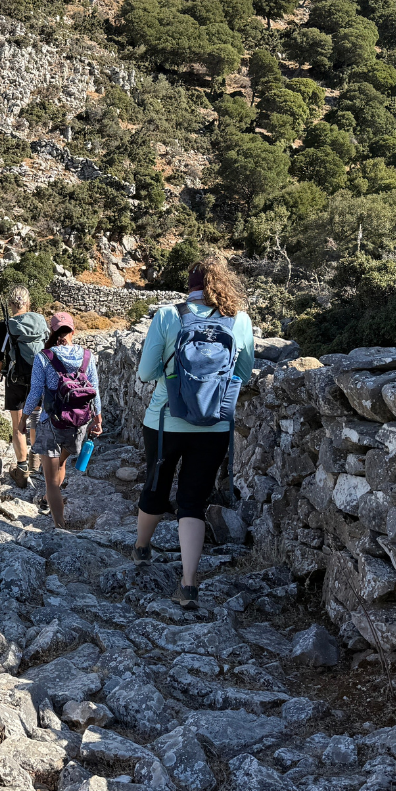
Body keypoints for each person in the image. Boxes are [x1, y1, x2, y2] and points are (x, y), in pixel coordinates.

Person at [134, 254, 254, 609]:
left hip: (165, 419)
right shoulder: (240, 320)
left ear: (190, 285)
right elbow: (243, 373)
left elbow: (144, 372)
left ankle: (142, 549)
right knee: (193, 501)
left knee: (156, 484)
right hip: (215, 424)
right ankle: (188, 585)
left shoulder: (169, 315)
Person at [24, 311, 102, 529]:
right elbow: (95, 390)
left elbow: (35, 392)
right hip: (79, 423)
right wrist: (98, 419)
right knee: (62, 463)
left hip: (51, 421)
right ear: (73, 331)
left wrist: (23, 417)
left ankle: (59, 525)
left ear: (52, 332)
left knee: (50, 481)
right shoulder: (87, 356)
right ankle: (56, 512)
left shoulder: (44, 357)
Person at [0, 287, 47, 487]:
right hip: (38, 378)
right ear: (28, 303)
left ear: (10, 304)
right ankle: (37, 463)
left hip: (15, 379)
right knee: (36, 419)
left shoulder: (4, 326)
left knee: (17, 425)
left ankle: (22, 470)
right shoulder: (40, 321)